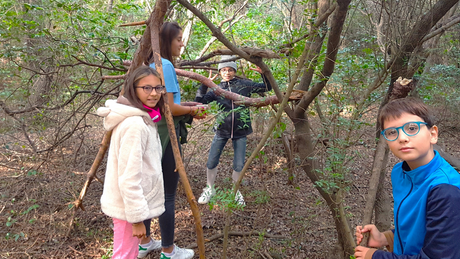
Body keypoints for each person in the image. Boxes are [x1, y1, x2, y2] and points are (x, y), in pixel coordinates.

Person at [354, 97, 460, 259]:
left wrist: (375, 257)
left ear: (433, 134)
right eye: (392, 132)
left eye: (412, 128)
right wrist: (386, 238)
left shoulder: (445, 190)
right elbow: (416, 227)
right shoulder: (400, 173)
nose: (402, 138)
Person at [138, 21, 205, 259]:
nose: (182, 43)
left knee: (147, 190)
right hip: (165, 137)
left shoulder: (146, 64)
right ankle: (168, 249)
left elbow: (162, 105)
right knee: (166, 194)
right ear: (167, 41)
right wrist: (192, 110)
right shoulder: (164, 65)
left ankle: (145, 241)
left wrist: (187, 106)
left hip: (148, 132)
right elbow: (170, 108)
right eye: (179, 39)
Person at [97, 66, 166, 259]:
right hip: (128, 208)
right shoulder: (134, 125)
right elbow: (128, 177)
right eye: (146, 88)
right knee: (125, 255)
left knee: (130, 252)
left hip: (132, 205)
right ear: (133, 89)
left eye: (158, 88)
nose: (154, 93)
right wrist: (136, 219)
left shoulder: (144, 119)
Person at [194, 55, 272, 205]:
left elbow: (266, 87)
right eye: (224, 70)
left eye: (230, 69)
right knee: (211, 161)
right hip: (221, 131)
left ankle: (235, 191)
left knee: (238, 164)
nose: (227, 72)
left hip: (240, 132)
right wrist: (204, 84)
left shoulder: (244, 85)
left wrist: (264, 74)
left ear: (234, 71)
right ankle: (209, 189)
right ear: (220, 72)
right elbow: (199, 102)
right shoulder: (217, 89)